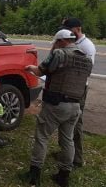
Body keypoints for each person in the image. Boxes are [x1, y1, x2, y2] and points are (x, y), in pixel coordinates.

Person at [25, 29, 92, 187]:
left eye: (55, 42)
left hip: (56, 104)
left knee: (42, 137)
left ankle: (34, 174)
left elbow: (41, 70)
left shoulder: (59, 54)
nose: (54, 45)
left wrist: (30, 68)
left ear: (62, 41)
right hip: (75, 105)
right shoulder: (87, 59)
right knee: (67, 140)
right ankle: (64, 176)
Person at [60, 17, 96, 168]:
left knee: (76, 122)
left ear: (76, 29)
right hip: (66, 86)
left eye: (69, 30)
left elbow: (86, 71)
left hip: (78, 89)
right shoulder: (73, 42)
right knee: (64, 120)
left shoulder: (87, 46)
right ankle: (66, 152)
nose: (67, 33)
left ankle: (77, 159)